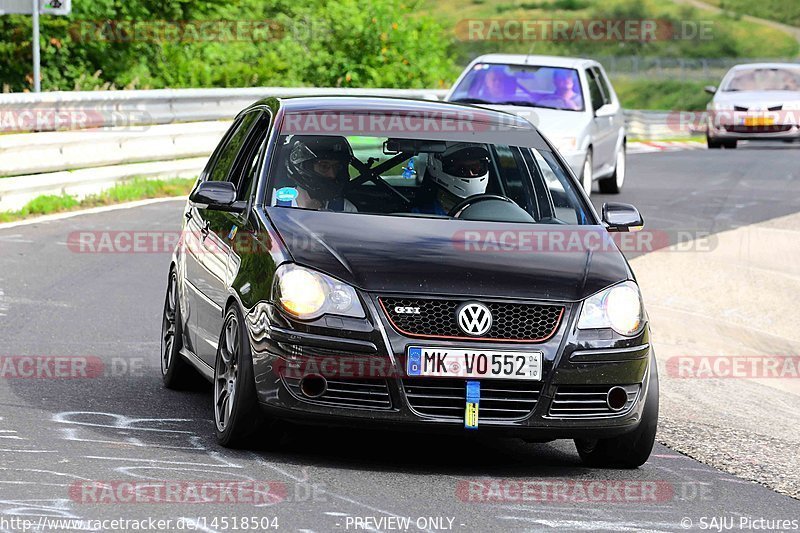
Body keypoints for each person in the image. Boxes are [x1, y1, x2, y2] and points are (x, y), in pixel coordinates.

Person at [279, 135, 357, 212]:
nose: (332, 175)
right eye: (324, 166)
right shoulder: (272, 203)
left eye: (337, 167)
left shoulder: (345, 208)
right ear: (304, 167)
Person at [413, 143, 491, 216]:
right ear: (436, 167)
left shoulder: (493, 212)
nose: (471, 174)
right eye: (462, 170)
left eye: (477, 168)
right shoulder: (422, 216)